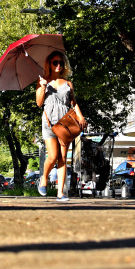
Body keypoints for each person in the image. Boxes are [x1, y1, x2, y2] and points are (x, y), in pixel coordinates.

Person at [36, 51, 87, 201]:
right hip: (49, 122)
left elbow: (74, 103)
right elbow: (39, 103)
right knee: (52, 156)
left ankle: (60, 193)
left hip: (65, 123)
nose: (58, 65)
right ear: (49, 65)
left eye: (61, 63)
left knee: (63, 157)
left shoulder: (68, 84)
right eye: (55, 62)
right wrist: (43, 87)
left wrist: (81, 116)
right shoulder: (43, 81)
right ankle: (43, 178)